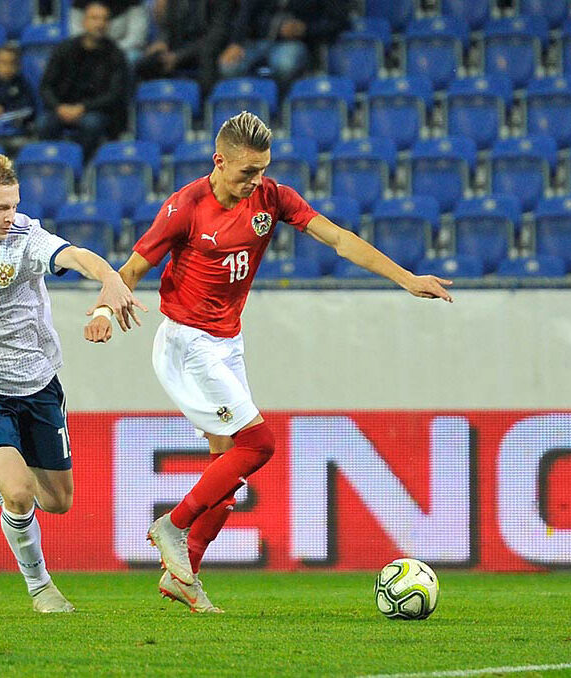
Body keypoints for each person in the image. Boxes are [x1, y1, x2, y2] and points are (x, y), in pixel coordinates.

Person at [84, 111, 453, 613]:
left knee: (227, 471)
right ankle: (171, 527)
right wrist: (106, 306)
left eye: (262, 170)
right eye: (246, 173)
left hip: (227, 344)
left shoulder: (272, 197)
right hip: (187, 343)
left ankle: (184, 574)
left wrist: (406, 278)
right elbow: (130, 268)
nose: (256, 181)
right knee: (258, 443)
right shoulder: (185, 207)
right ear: (219, 161)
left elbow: (339, 239)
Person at [0, 154, 146, 612]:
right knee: (20, 494)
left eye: (14, 205)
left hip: (38, 385)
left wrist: (110, 279)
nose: (10, 216)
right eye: (0, 207)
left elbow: (74, 255)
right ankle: (41, 588)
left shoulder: (24, 240)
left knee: (57, 501)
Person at [39, 1, 129, 159]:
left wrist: (83, 107)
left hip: (95, 111)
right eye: (95, 18)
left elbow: (114, 94)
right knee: (44, 124)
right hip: (62, 108)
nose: (99, 24)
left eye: (104, 19)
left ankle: (82, 166)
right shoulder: (64, 49)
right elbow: (46, 86)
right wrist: (58, 107)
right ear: (84, 21)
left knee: (91, 125)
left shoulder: (115, 54)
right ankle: (54, 165)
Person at [218, 0, 349, 89]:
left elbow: (339, 21)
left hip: (297, 42)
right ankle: (246, 110)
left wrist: (305, 29)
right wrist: (235, 43)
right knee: (229, 65)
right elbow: (245, 14)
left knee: (284, 64)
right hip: (258, 40)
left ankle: (280, 110)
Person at [136, 0, 234, 97]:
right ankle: (156, 104)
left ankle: (204, 106)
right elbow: (168, 28)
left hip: (207, 49)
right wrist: (163, 42)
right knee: (145, 63)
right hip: (177, 49)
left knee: (207, 56)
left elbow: (216, 36)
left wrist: (178, 57)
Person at [69, 0, 149, 64]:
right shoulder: (80, 3)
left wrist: (111, 51)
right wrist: (95, 51)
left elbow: (136, 38)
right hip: (89, 50)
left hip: (123, 49)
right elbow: (77, 35)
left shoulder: (133, 3)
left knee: (130, 57)